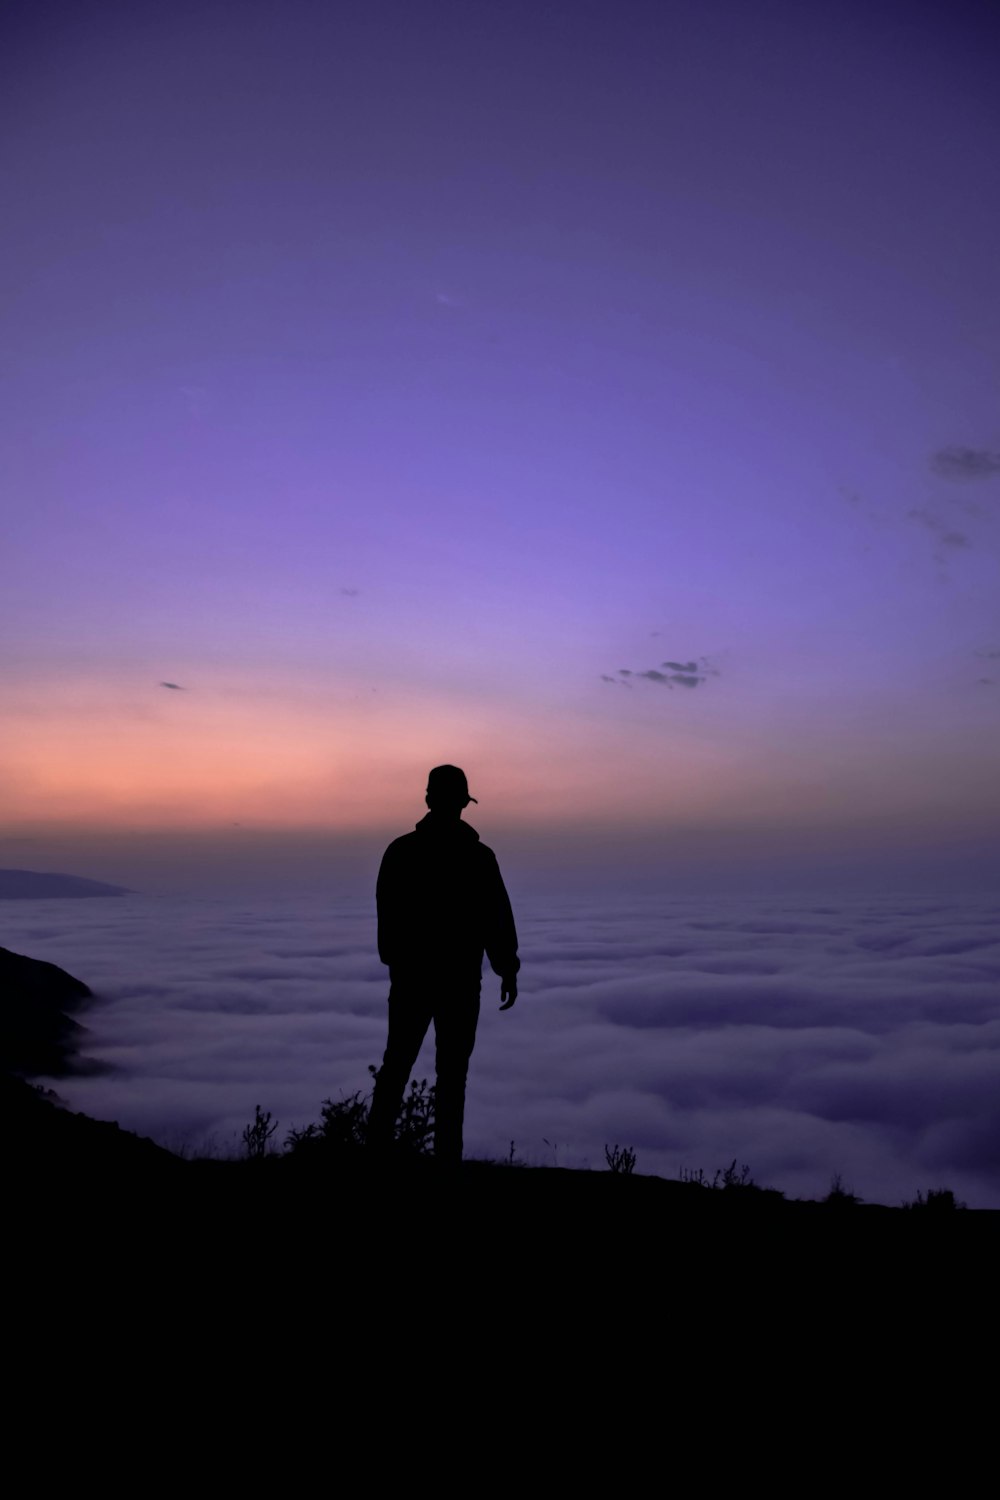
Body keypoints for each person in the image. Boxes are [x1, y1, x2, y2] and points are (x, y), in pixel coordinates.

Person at [367, 765, 519, 1163]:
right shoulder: (479, 857)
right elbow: (496, 918)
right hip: (460, 983)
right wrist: (507, 967)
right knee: (452, 1077)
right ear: (461, 805)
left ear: (428, 800)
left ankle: (375, 1156)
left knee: (396, 1067)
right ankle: (447, 1163)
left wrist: (399, 962)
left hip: (412, 981)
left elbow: (389, 917)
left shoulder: (401, 852)